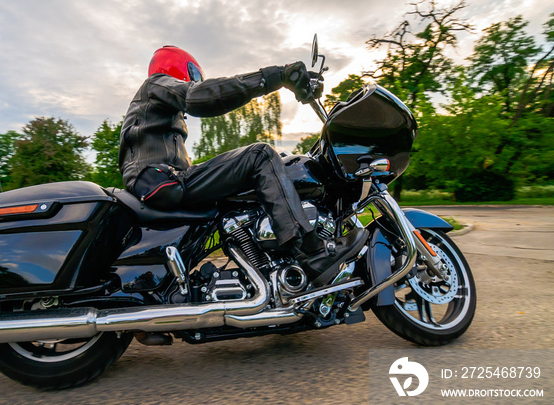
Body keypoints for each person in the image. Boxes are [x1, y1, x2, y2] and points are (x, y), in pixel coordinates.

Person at [118, 46, 367, 286]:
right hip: (161, 180)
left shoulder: (157, 111)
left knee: (265, 166)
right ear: (175, 68)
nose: (195, 80)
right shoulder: (156, 84)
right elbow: (200, 95)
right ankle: (311, 252)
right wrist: (278, 77)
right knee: (260, 155)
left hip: (163, 179)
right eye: (193, 74)